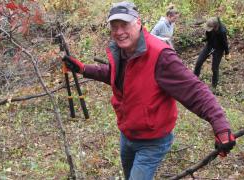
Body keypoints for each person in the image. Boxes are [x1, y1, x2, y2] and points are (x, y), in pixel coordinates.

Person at [63, 2, 236, 179]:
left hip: (152, 141)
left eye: (124, 25)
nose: (119, 31)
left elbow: (195, 90)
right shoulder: (121, 50)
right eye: (115, 27)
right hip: (127, 134)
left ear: (138, 23)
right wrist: (83, 69)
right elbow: (117, 75)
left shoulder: (161, 55)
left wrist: (221, 126)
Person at [194, 17, 230, 88]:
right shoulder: (209, 28)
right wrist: (205, 40)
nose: (208, 29)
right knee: (199, 61)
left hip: (219, 49)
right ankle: (194, 80)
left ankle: (214, 86)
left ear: (215, 26)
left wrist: (227, 53)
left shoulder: (222, 31)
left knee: (214, 68)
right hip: (210, 45)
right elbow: (208, 35)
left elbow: (225, 43)